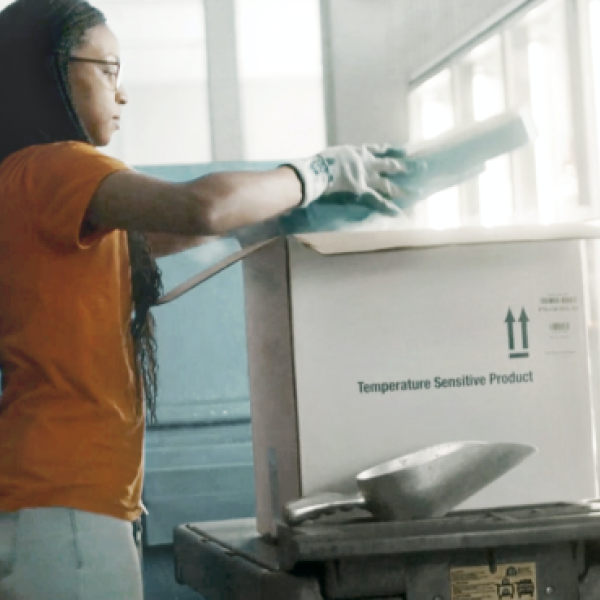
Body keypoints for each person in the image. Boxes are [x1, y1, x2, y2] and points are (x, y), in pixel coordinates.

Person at [0, 0, 410, 598]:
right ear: (52, 71)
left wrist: (267, 220)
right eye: (108, 68)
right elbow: (202, 205)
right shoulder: (54, 167)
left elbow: (159, 237)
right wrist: (318, 171)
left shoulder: (26, 184)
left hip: (53, 500)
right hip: (65, 503)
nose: (123, 94)